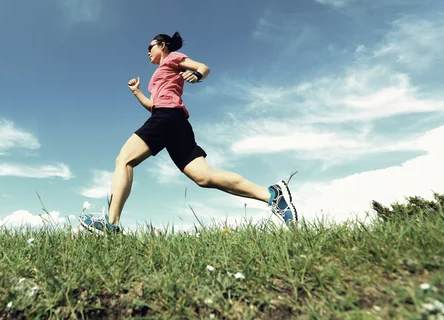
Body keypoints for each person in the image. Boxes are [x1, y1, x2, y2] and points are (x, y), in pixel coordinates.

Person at [79, 32, 298, 234]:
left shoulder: (173, 57)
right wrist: (136, 91)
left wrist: (197, 75)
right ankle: (272, 195)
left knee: (124, 160)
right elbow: (154, 105)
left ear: (163, 45)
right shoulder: (157, 76)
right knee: (204, 177)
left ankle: (111, 223)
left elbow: (203, 67)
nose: (147, 52)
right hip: (174, 121)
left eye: (150, 47)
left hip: (167, 118)